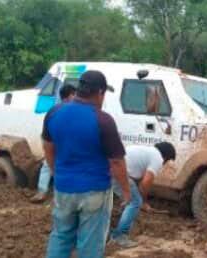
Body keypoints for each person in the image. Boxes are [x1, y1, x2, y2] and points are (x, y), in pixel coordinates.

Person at [44, 70, 131, 258]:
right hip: (95, 190)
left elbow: (48, 147)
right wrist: (126, 191)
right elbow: (116, 161)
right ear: (100, 93)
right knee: (90, 244)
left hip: (64, 188)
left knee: (60, 236)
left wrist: (56, 172)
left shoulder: (54, 113)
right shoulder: (103, 120)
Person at [109, 142, 176, 248]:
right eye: (167, 161)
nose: (164, 163)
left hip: (110, 170)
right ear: (166, 157)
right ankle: (119, 236)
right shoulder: (158, 158)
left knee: (130, 201)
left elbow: (137, 178)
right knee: (135, 202)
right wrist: (143, 202)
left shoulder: (146, 151)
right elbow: (145, 183)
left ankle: (116, 230)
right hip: (118, 173)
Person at [30, 84, 76, 203]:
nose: (76, 97)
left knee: (48, 165)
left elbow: (46, 130)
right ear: (70, 95)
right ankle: (60, 195)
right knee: (64, 167)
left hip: (50, 140)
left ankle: (41, 192)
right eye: (74, 94)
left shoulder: (53, 109)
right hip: (63, 142)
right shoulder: (72, 109)